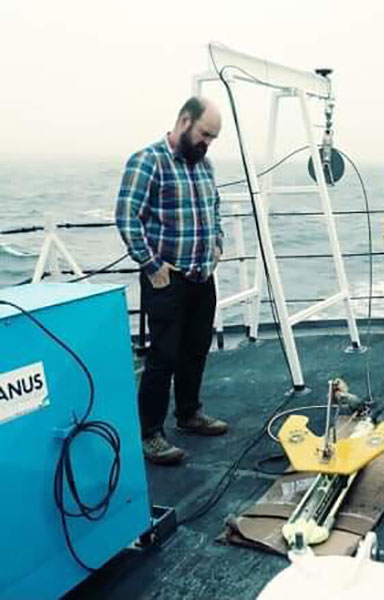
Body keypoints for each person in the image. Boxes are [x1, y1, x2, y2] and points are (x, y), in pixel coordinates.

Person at [116, 96, 229, 466]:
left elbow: (214, 208)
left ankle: (188, 414)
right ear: (184, 121)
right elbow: (127, 215)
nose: (207, 143)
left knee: (196, 348)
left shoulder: (204, 165)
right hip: (168, 279)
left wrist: (216, 247)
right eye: (204, 134)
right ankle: (150, 433)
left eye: (212, 137)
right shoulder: (148, 161)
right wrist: (151, 265)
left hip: (201, 276)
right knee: (162, 357)